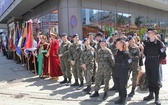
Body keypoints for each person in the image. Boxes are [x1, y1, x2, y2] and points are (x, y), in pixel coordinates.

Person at [143, 28, 166, 105]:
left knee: (155, 80)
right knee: (149, 78)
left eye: (149, 32)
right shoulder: (146, 42)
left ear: (153, 33)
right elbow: (145, 52)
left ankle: (157, 97)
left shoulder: (159, 43)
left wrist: (157, 60)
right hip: (148, 61)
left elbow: (163, 54)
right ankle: (151, 94)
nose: (148, 34)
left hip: (155, 62)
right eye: (148, 32)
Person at [114, 38, 132, 105]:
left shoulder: (126, 53)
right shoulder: (117, 52)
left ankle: (124, 99)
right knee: (118, 85)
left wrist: (125, 69)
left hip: (123, 71)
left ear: (122, 44)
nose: (116, 45)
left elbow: (130, 63)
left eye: (117, 44)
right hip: (117, 70)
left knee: (122, 86)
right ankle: (120, 97)